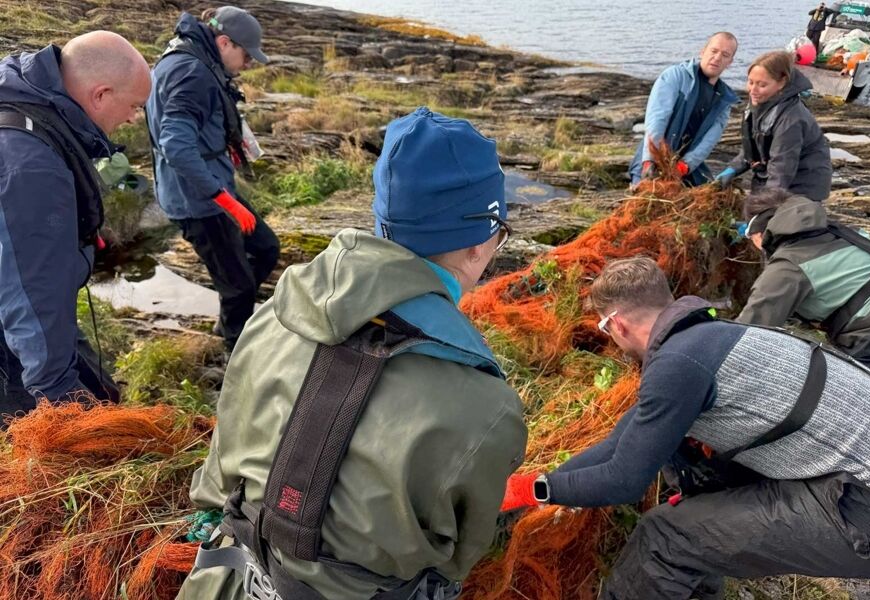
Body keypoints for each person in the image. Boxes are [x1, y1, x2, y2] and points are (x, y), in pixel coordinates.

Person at [176, 107, 528, 600]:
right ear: (479, 243)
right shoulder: (489, 407)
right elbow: (460, 558)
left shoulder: (274, 313)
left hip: (223, 581)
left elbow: (218, 473)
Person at [500, 256, 870, 600]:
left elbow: (624, 480)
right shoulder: (713, 338)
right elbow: (621, 440)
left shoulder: (679, 365)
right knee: (698, 504)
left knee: (666, 536)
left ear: (616, 325)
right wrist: (538, 485)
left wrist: (537, 490)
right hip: (866, 483)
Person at [0, 32, 150, 419]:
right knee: (46, 428)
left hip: (23, 296)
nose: (134, 117)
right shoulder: (31, 167)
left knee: (100, 390)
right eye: (134, 105)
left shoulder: (25, 93)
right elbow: (31, 294)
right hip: (13, 320)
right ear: (100, 95)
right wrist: (62, 400)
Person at [146, 6, 280, 350]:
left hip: (213, 188)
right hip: (200, 203)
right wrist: (225, 202)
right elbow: (176, 146)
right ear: (224, 42)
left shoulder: (190, 57)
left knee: (266, 249)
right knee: (239, 287)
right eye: (247, 56)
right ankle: (235, 353)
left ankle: (228, 320)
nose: (248, 64)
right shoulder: (191, 73)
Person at [737, 189, 870, 384]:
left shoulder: (788, 266)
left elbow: (749, 333)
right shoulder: (845, 231)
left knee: (843, 398)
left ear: (758, 233)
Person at [716, 51, 832, 202]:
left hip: (803, 185)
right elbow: (752, 146)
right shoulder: (760, 102)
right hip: (768, 174)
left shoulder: (791, 120)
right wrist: (733, 168)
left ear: (782, 82)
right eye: (750, 82)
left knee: (766, 220)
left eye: (762, 85)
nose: (753, 90)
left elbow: (781, 170)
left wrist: (760, 212)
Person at [629, 32, 740, 187]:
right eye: (714, 51)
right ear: (703, 51)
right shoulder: (675, 76)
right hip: (653, 156)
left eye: (725, 55)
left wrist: (685, 165)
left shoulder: (724, 100)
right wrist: (650, 160)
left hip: (687, 166)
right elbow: (657, 118)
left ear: (730, 62)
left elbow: (709, 140)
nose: (717, 58)